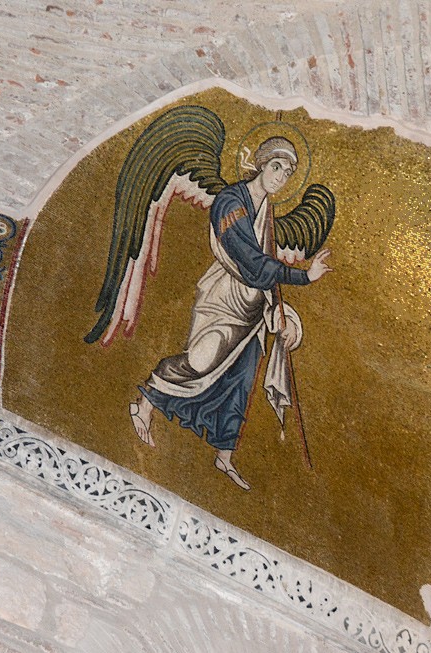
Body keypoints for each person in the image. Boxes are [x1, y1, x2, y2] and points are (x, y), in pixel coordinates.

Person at [127, 136, 332, 490]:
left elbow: (266, 274)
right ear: (261, 165)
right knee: (200, 361)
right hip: (224, 300)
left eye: (287, 172)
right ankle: (145, 402)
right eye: (276, 167)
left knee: (241, 380)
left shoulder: (267, 214)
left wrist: (284, 318)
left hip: (252, 311)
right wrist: (304, 277)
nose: (281, 177)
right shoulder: (230, 202)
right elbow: (252, 262)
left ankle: (224, 456)